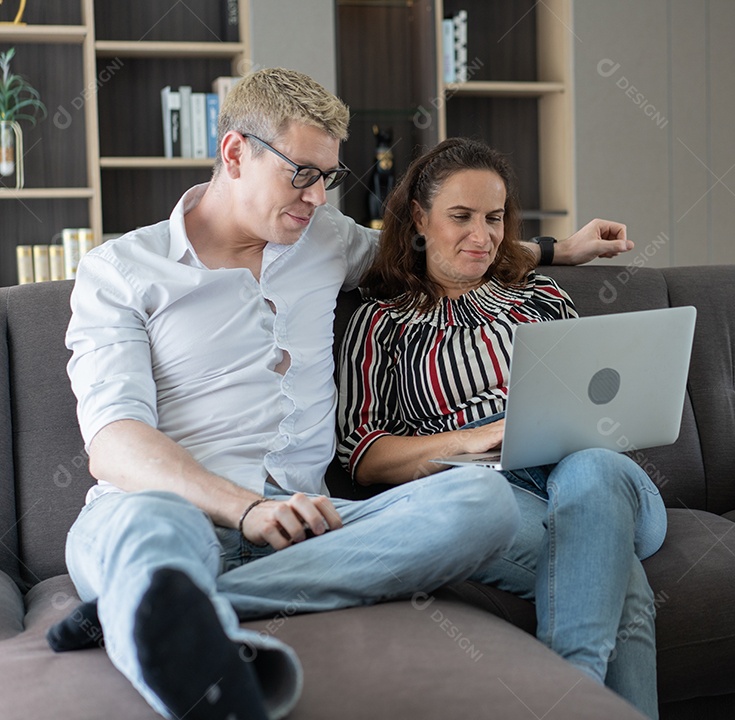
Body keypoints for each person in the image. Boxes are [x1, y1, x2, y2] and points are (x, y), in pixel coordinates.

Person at [57, 68, 634, 720]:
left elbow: (440, 246)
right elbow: (115, 443)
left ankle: (168, 608)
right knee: (145, 532)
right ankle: (190, 644)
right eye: (301, 173)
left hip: (310, 526)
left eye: (327, 178)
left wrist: (558, 249)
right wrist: (247, 509)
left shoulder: (321, 237)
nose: (315, 197)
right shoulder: (122, 270)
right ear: (235, 153)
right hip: (171, 512)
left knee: (482, 504)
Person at [336, 137, 668, 719]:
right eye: (461, 216)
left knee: (593, 468)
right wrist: (472, 437)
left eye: (494, 218)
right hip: (490, 489)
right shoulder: (381, 322)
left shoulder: (540, 296)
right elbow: (362, 457)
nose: (482, 236)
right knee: (623, 581)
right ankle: (580, 696)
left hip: (596, 477)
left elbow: (597, 400)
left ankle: (565, 705)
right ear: (420, 218)